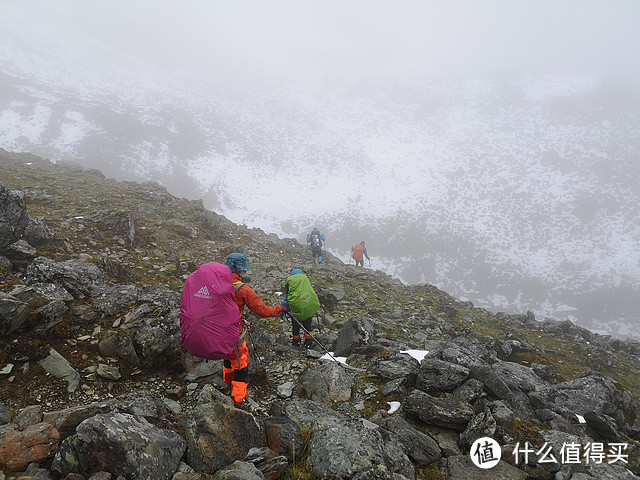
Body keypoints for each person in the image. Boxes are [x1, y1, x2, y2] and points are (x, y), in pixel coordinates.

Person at [224, 252, 285, 404]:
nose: (245, 272)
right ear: (238, 270)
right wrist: (280, 308)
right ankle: (238, 401)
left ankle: (227, 386)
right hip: (233, 334)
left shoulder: (216, 284)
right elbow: (263, 311)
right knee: (241, 365)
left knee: (227, 359)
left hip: (216, 332)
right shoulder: (243, 289)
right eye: (243, 270)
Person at [282, 268, 320, 348]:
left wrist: (286, 307)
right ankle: (308, 342)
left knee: (295, 326)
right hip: (307, 307)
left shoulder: (290, 282)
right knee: (308, 325)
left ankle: (296, 341)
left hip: (296, 309)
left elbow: (287, 296)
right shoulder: (305, 280)